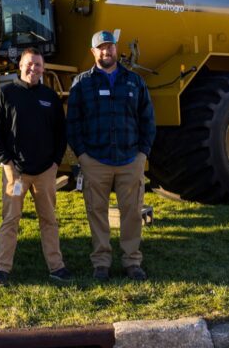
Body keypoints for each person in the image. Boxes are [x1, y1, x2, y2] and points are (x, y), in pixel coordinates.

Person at [67, 30, 156, 281]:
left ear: (116, 49)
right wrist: (82, 156)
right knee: (97, 213)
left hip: (130, 160)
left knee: (132, 213)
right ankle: (101, 263)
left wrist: (142, 154)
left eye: (110, 47)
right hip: (95, 160)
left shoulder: (134, 81)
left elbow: (148, 120)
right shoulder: (82, 83)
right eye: (101, 48)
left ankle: (132, 261)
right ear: (93, 52)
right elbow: (73, 123)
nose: (107, 51)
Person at [0, 47, 71, 286]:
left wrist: (55, 164)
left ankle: (57, 267)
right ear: (20, 66)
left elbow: (61, 134)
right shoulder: (6, 94)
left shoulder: (50, 97)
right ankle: (2, 271)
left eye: (38, 65)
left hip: (44, 173)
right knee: (10, 220)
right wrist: (6, 162)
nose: (34, 69)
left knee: (49, 220)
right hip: (16, 174)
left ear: (43, 69)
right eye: (29, 64)